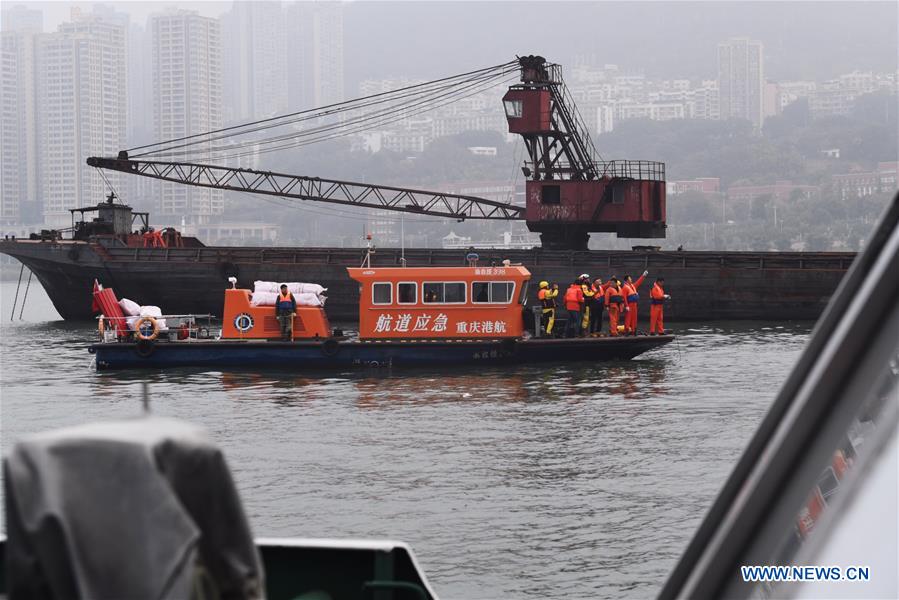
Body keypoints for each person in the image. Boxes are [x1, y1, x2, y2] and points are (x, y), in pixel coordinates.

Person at [622, 270, 649, 335]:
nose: (631, 279)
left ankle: (634, 330)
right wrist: (626, 306)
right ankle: (627, 330)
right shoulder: (625, 287)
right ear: (627, 280)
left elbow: (638, 282)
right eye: (630, 279)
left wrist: (643, 276)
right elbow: (624, 297)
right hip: (630, 304)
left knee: (634, 317)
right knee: (628, 318)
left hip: (634, 304)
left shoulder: (632, 286)